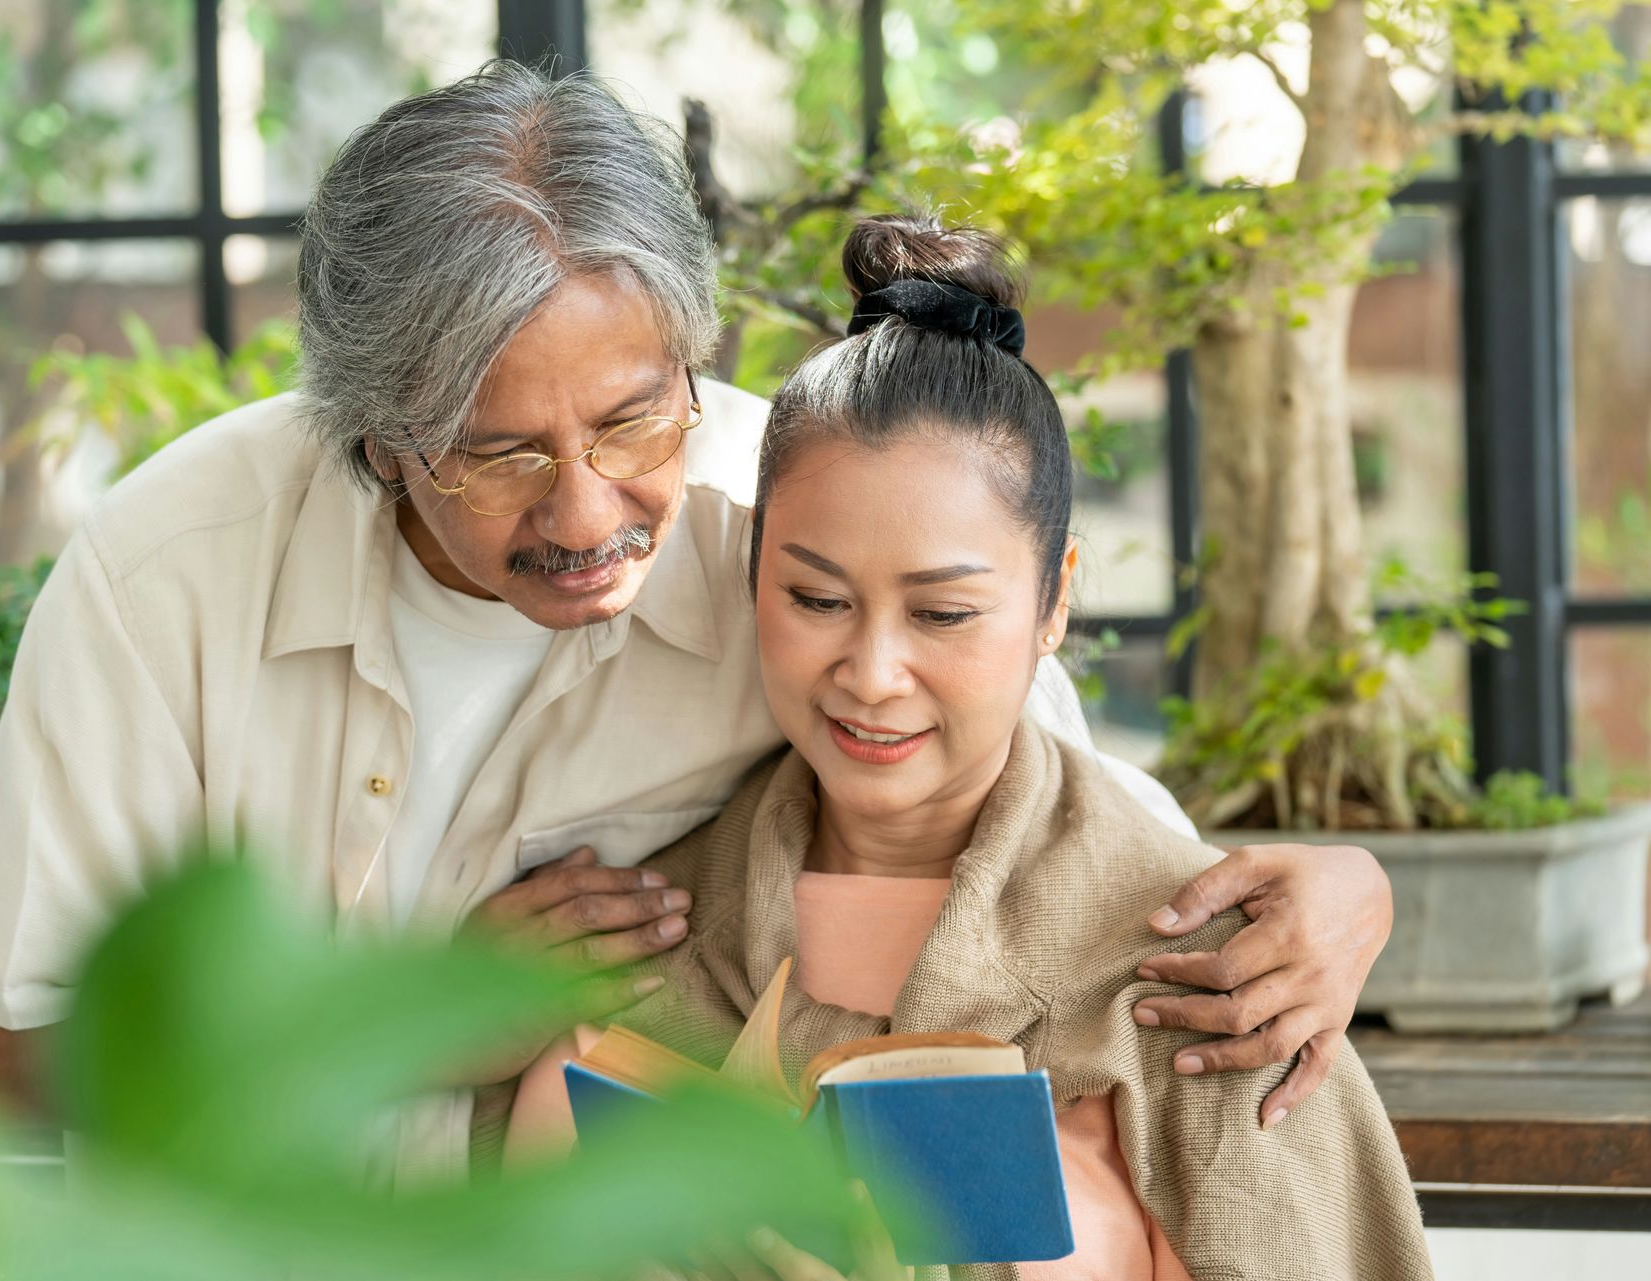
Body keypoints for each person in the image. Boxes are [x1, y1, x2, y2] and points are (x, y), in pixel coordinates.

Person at [0, 62, 1394, 1186]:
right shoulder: (172, 571)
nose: (585, 510)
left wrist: (1344, 893)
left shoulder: (807, 530)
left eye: (634, 419)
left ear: (694, 352)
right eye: (496, 452)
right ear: (373, 438)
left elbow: (1061, 851)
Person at [493, 215, 1431, 1281]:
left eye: (943, 615)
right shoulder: (624, 965)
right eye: (816, 598)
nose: (871, 672)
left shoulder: (1218, 995)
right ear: (750, 578)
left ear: (1054, 599)